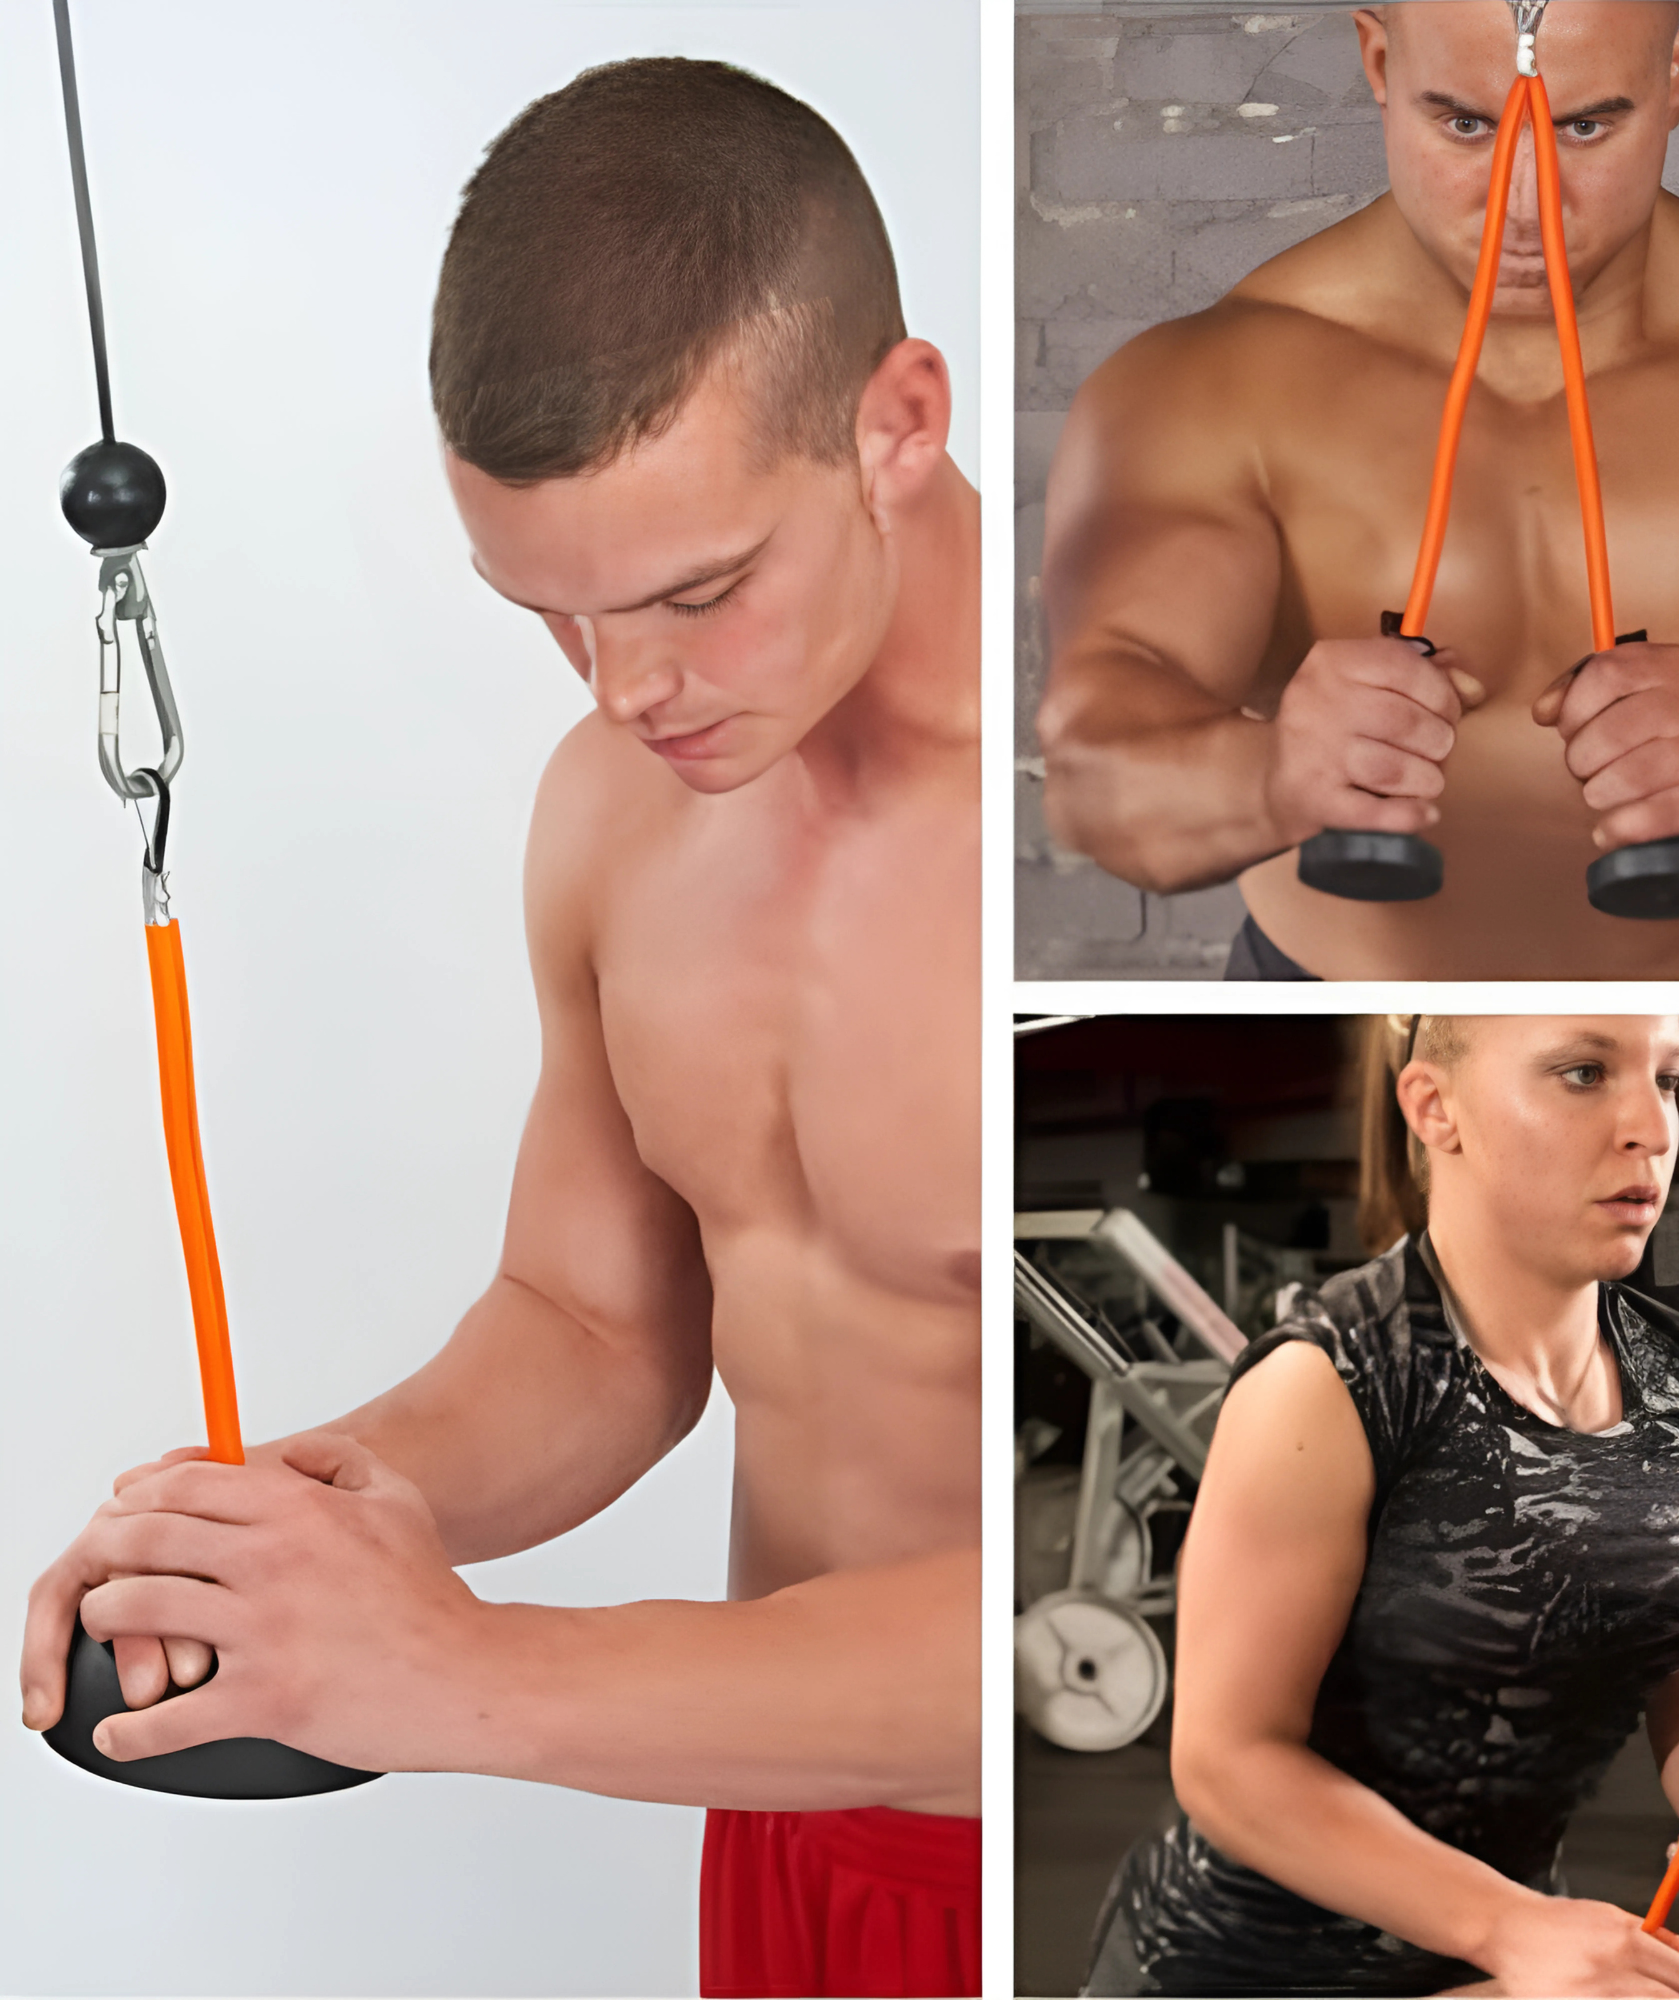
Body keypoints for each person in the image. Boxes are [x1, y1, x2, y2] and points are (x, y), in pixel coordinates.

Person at [18, 60, 980, 2000]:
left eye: (697, 594)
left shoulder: (1080, 851)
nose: (629, 689)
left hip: (1054, 1842)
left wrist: (463, 1672)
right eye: (551, 612)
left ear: (898, 424)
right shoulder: (622, 805)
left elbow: (1138, 1611)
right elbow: (598, 1324)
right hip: (786, 1836)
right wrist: (293, 1524)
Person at [1036, 2, 1679, 980]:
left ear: (1677, 75)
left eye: (1584, 126)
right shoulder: (1205, 387)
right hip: (1312, 992)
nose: (1523, 205)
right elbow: (1090, 770)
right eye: (1463, 124)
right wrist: (1267, 776)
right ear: (1375, 60)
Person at [1083, 1016, 1679, 1996]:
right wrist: (1508, 1923)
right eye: (1582, 1072)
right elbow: (1226, 1760)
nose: (1648, 1124)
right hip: (1255, 1964)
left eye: (1666, 1078)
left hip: (1497, 1941)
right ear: (1435, 1107)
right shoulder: (1330, 1380)